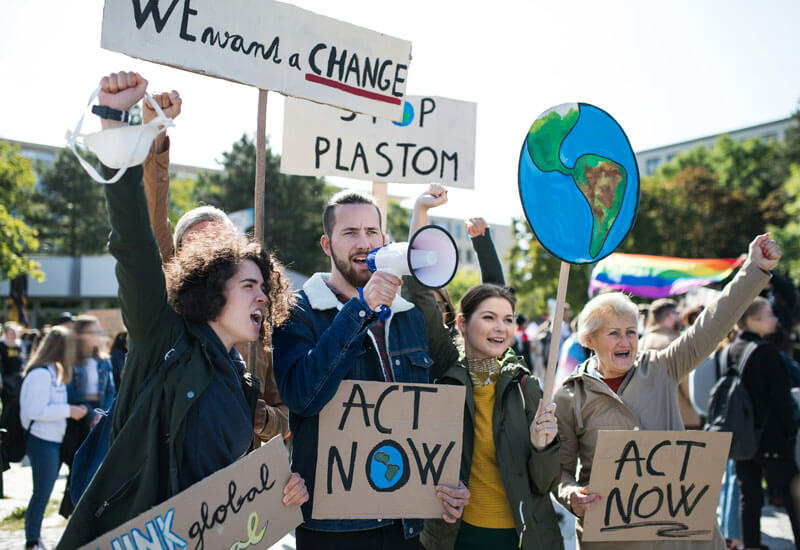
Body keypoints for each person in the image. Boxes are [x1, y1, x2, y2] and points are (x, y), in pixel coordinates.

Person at [58, 71, 308, 548]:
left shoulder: (243, 380)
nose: (263, 298)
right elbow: (134, 243)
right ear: (212, 289)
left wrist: (279, 490)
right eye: (250, 286)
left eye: (265, 289)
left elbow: (228, 494)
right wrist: (122, 129)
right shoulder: (162, 338)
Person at [554, 234, 781, 550]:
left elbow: (711, 325)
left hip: (678, 537)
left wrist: (754, 269)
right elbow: (559, 470)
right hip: (613, 538)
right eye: (614, 334)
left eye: (631, 332)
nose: (626, 342)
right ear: (590, 342)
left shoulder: (662, 367)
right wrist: (571, 496)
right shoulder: (569, 396)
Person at [272, 188, 469, 549]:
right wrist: (360, 310)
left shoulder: (409, 316)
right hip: (334, 529)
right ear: (326, 244)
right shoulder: (297, 312)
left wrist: (446, 477)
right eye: (350, 233)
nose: (363, 243)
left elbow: (431, 405)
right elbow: (303, 396)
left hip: (406, 523)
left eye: (371, 232)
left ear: (384, 238)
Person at [404, 186, 563, 549]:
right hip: (457, 534)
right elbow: (418, 292)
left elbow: (545, 482)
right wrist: (420, 213)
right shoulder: (448, 367)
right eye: (488, 318)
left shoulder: (525, 384)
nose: (500, 327)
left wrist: (544, 446)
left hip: (520, 536)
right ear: (461, 323)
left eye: (507, 320)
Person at [140, 91, 289, 442]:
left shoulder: (262, 329)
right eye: (198, 248)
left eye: (220, 245)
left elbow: (288, 416)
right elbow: (151, 222)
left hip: (241, 482)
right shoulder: (172, 310)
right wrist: (155, 138)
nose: (211, 257)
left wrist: (264, 419)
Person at [730, 297, 800, 550]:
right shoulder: (767, 353)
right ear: (752, 320)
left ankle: (751, 545)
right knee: (793, 494)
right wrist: (791, 431)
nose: (775, 319)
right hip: (772, 437)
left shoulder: (732, 348)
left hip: (741, 435)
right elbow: (780, 400)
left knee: (749, 495)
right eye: (769, 315)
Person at [19, 326, 89, 550]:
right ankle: (32, 541)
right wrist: (69, 411)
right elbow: (34, 411)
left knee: (43, 492)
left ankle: (34, 538)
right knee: (41, 493)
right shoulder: (41, 374)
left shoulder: (53, 371)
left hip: (52, 440)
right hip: (42, 441)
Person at [641, 299, 702, 429]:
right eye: (677, 314)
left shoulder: (640, 343)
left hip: (648, 418)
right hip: (681, 419)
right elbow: (688, 385)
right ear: (670, 316)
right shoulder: (675, 343)